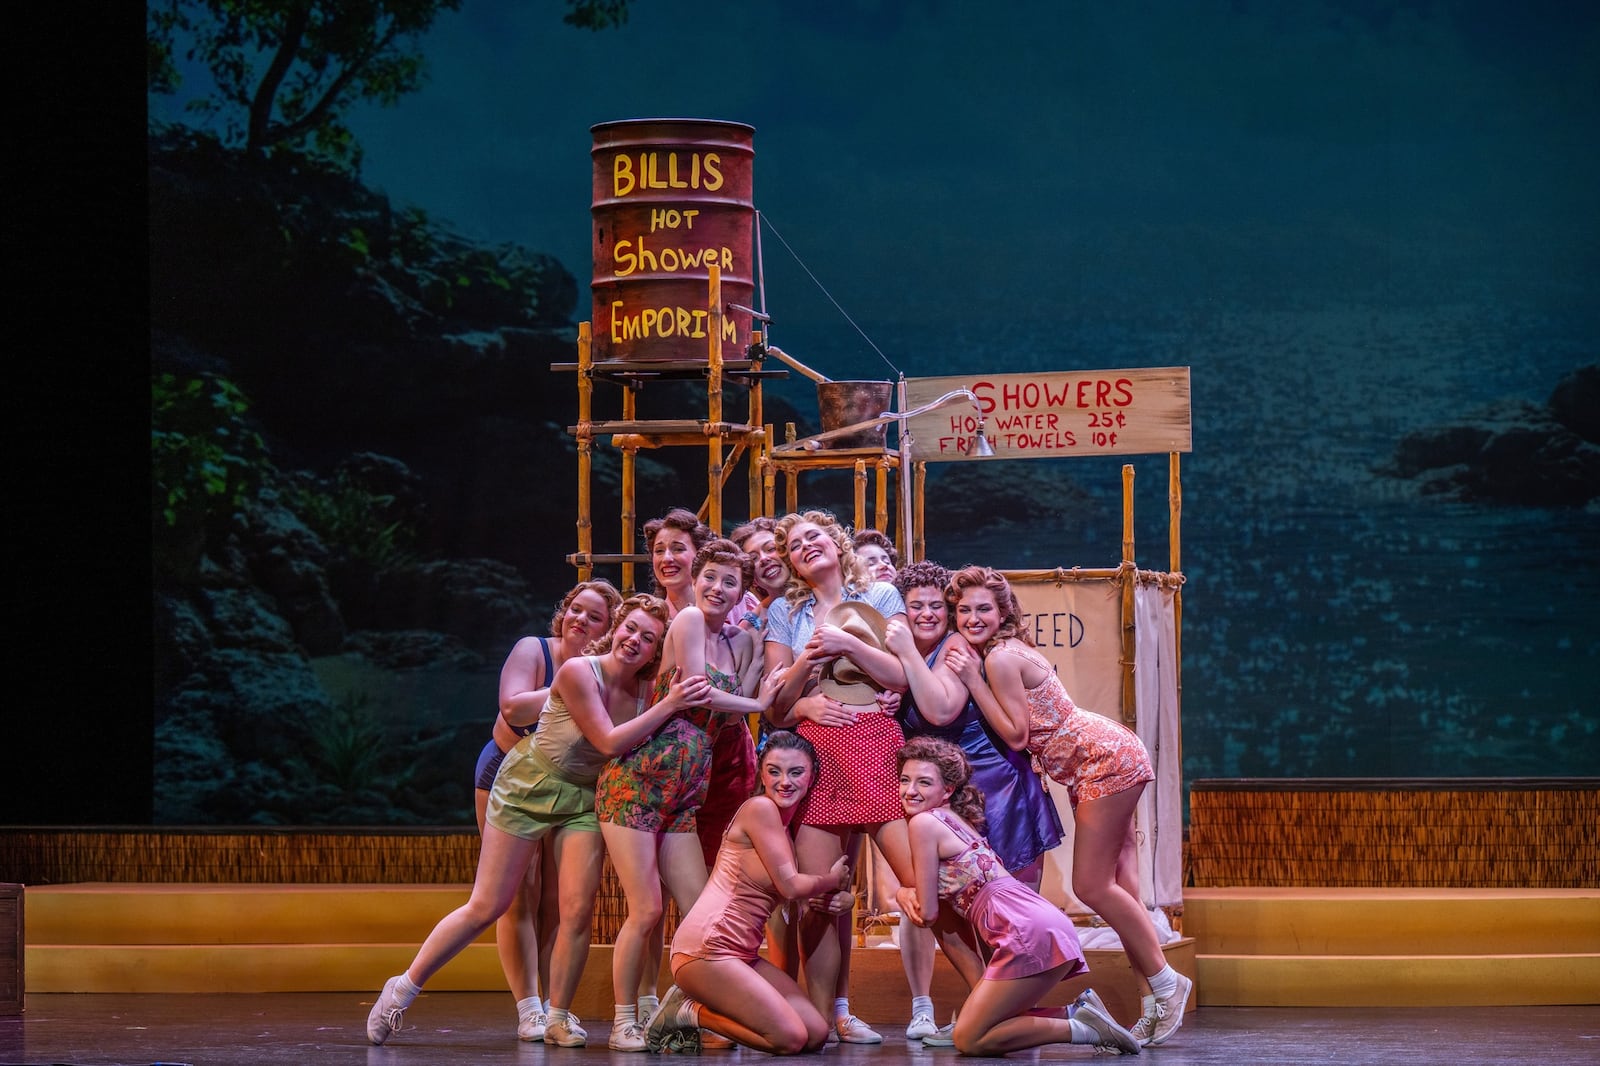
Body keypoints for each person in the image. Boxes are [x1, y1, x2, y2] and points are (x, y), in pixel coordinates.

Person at [365, 595, 713, 1048]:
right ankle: (403, 988)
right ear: (617, 628)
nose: (634, 640)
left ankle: (558, 1016)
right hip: (529, 785)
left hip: (585, 798)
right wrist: (668, 705)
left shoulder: (645, 692)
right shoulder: (578, 672)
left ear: (655, 652)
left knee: (576, 909)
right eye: (630, 628)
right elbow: (607, 742)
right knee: (488, 904)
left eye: (648, 638)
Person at [945, 565, 1191, 1047]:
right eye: (964, 610)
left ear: (1004, 612)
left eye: (983, 609)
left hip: (1103, 761)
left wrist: (973, 680)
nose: (973, 618)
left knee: (1091, 886)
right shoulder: (1006, 651)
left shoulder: (996, 659)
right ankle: (1150, 1003)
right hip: (1095, 761)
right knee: (1121, 885)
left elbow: (1017, 734)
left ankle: (1167, 982)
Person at [594, 540, 773, 1050]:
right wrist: (760, 699)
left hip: (686, 790)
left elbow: (739, 706)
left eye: (729, 581)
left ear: (741, 591)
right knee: (647, 909)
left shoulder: (736, 639)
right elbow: (700, 689)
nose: (717, 588)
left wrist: (761, 649)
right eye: (710, 577)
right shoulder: (690, 620)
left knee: (699, 914)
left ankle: (676, 1006)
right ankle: (624, 1019)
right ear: (696, 580)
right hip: (640, 779)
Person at [882, 559, 1067, 1041]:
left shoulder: (960, 648)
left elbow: (945, 710)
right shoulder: (911, 653)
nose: (929, 614)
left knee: (1009, 911)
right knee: (952, 909)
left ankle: (1025, 1019)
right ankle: (989, 1014)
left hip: (997, 786)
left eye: (934, 606)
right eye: (914, 606)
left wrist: (905, 655)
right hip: (951, 796)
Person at [761, 509, 914, 1043]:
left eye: (814, 536)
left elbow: (902, 676)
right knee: (823, 895)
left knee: (921, 883)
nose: (806, 546)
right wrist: (804, 699)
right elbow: (775, 706)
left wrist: (849, 644)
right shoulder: (784, 610)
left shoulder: (880, 597)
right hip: (816, 754)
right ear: (791, 565)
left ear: (836, 542)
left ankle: (979, 1005)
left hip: (874, 744)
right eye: (795, 545)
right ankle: (826, 1021)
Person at [895, 736, 1141, 1057]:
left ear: (948, 789)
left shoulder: (924, 823)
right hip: (1037, 920)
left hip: (1024, 931)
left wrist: (902, 894)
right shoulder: (956, 821)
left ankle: (1081, 1028)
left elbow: (927, 913)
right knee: (989, 1025)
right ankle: (1076, 1015)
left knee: (970, 1039)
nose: (910, 790)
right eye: (904, 780)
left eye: (924, 782)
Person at [644, 730, 854, 1055]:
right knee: (790, 1039)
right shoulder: (760, 810)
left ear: (812, 776)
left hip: (742, 955)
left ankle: (695, 1010)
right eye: (774, 771)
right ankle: (687, 1012)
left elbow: (800, 897)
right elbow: (791, 886)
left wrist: (845, 897)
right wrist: (832, 879)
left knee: (815, 1033)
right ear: (761, 774)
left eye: (796, 772)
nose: (785, 781)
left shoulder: (786, 828)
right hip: (706, 952)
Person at [474, 579, 621, 1041]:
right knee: (519, 891)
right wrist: (571, 685)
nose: (580, 619)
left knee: (559, 900)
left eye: (594, 616)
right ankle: (527, 1006)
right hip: (509, 774)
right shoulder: (536, 649)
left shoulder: (608, 671)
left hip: (570, 786)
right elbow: (513, 707)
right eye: (576, 609)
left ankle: (551, 1005)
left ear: (609, 629)